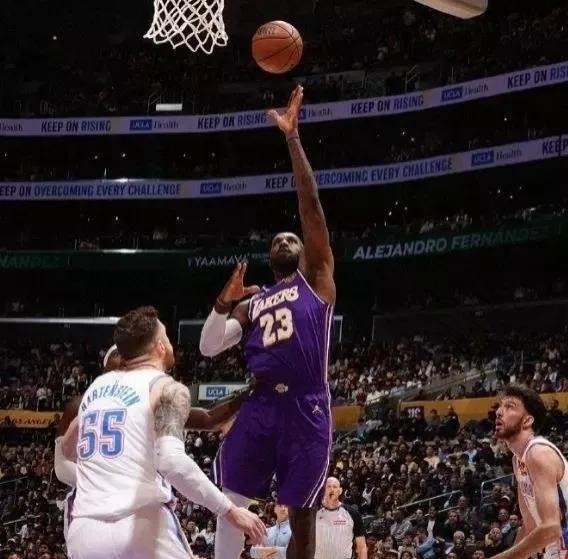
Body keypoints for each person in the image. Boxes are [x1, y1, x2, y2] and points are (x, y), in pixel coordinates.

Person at [200, 85, 335, 559]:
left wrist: (292, 138)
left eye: (290, 237)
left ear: (303, 250)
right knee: (231, 498)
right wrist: (223, 302)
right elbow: (209, 346)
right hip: (260, 402)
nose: (283, 240)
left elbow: (310, 207)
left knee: (302, 514)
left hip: (305, 405)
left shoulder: (316, 280)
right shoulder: (255, 300)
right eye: (276, 239)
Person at [60, 306, 266, 559]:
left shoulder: (96, 389)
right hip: (139, 524)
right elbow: (172, 462)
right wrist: (230, 510)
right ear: (160, 346)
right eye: (167, 337)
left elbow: (67, 448)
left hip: (84, 532)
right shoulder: (166, 388)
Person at [492, 384, 565, 559]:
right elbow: (530, 526)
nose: (499, 412)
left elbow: (552, 528)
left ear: (527, 421)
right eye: (500, 406)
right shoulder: (518, 460)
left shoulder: (539, 453)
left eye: (509, 407)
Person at [314, 478, 367, 559]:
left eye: (335, 487)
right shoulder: (314, 513)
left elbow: (362, 547)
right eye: (328, 487)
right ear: (323, 490)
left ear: (340, 491)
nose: (332, 490)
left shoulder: (352, 513)